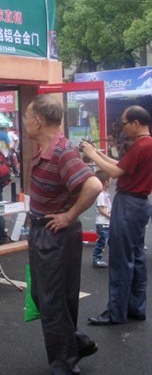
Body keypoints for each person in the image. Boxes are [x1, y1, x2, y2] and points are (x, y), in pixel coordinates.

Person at [24, 94, 102, 374]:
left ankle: (65, 366)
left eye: (26, 116)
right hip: (44, 233)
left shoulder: (62, 152)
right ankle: (76, 344)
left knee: (53, 301)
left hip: (54, 236)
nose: (24, 122)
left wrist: (69, 215)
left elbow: (93, 186)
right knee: (44, 296)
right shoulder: (46, 149)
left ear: (38, 120)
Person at [82, 105, 152, 325]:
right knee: (137, 257)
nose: (122, 128)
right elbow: (122, 166)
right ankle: (136, 308)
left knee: (121, 260)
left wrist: (91, 154)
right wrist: (98, 154)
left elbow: (116, 171)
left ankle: (116, 312)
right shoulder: (147, 144)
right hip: (140, 204)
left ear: (136, 123)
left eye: (124, 124)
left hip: (128, 204)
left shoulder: (141, 145)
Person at [92, 171, 112, 268]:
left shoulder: (105, 193)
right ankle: (96, 259)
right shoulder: (101, 195)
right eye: (110, 180)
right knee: (101, 242)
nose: (111, 182)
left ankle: (113, 258)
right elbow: (101, 209)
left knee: (111, 241)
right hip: (102, 223)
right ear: (105, 182)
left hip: (107, 223)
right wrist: (110, 216)